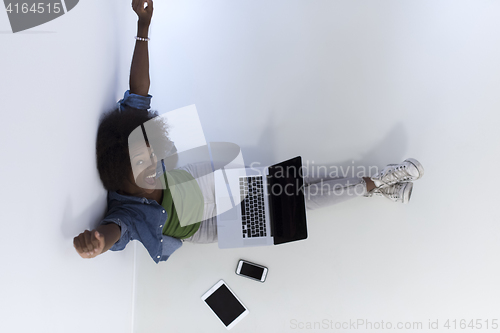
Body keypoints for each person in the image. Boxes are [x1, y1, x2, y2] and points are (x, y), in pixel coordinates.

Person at [73, 0, 425, 263]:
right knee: (297, 207)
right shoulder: (126, 213)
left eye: (152, 154)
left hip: (205, 182)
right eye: (145, 166)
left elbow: (138, 92)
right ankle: (379, 182)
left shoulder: (131, 137)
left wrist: (144, 27)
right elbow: (112, 233)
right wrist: (97, 243)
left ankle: (380, 187)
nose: (155, 163)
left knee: (295, 179)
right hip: (206, 226)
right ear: (121, 175)